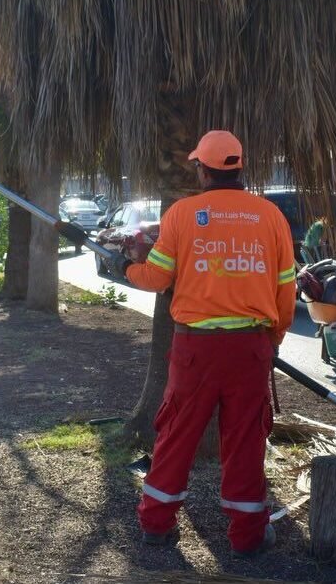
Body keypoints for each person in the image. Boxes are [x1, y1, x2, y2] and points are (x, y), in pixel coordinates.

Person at [103, 129, 296, 558]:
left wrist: (125, 268)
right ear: (239, 167)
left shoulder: (183, 214)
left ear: (202, 169)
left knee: (176, 435)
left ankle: (156, 525)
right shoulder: (270, 216)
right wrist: (274, 338)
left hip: (195, 350)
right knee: (246, 439)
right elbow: (287, 288)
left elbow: (156, 278)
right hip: (250, 349)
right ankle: (247, 536)